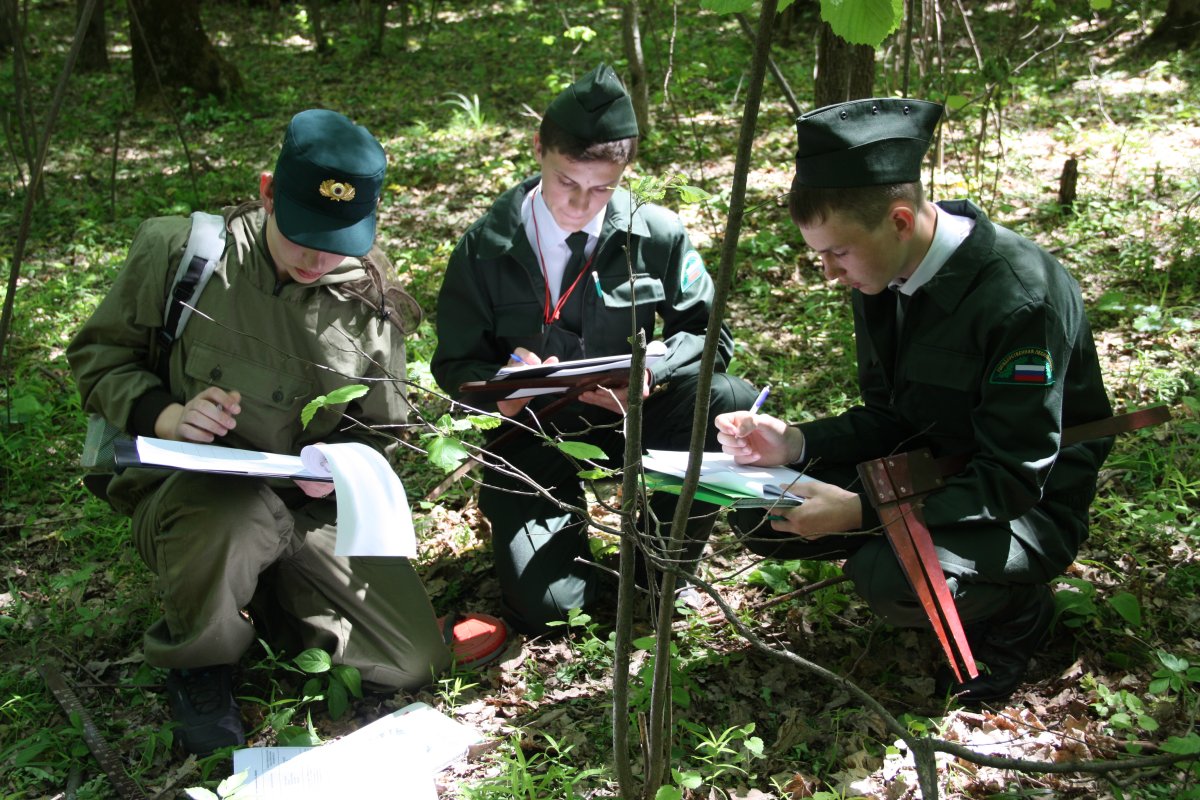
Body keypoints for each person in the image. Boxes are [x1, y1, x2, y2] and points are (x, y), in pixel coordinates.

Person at [68, 109, 504, 757]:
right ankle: (201, 662)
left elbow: (384, 434)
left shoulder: (370, 302)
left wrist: (338, 463)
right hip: (192, 498)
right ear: (270, 190)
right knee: (230, 520)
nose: (317, 256)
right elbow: (98, 357)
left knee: (412, 661)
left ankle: (268, 597)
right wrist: (166, 414)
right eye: (303, 233)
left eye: (338, 238)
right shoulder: (182, 253)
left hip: (307, 507)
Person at [716, 97, 1113, 704]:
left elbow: (1011, 477)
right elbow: (890, 416)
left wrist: (859, 512)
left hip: (1025, 500)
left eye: (837, 253)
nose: (829, 273)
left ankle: (1016, 613)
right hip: (931, 465)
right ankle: (932, 572)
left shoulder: (1019, 297)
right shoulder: (881, 272)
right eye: (820, 254)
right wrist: (796, 442)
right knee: (763, 507)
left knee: (888, 573)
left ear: (900, 221)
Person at [432, 64, 758, 635]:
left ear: (624, 170)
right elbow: (454, 366)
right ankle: (569, 559)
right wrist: (501, 391)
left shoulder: (655, 234)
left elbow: (711, 335)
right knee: (552, 613)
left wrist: (649, 373)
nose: (582, 203)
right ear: (539, 150)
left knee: (726, 396)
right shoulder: (485, 247)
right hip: (530, 434)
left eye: (602, 188)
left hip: (633, 418)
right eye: (566, 182)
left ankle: (660, 570)